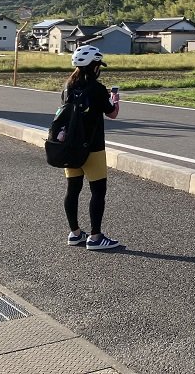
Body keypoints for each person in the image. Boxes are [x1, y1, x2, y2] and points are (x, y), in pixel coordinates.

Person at [62, 44, 123, 251]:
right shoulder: (97, 89)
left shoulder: (68, 87)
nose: (100, 68)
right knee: (97, 191)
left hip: (70, 148)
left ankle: (75, 233)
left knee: (73, 190)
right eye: (99, 65)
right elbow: (112, 113)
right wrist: (114, 100)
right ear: (93, 66)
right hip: (93, 148)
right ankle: (96, 237)